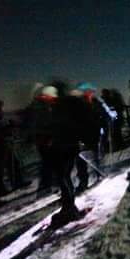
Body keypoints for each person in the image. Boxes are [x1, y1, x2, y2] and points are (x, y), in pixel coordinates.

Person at [38, 84, 100, 226]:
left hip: (64, 145)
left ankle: (69, 209)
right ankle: (69, 207)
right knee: (64, 176)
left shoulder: (62, 106)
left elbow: (61, 126)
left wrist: (51, 136)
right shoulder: (68, 105)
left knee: (63, 176)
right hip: (69, 145)